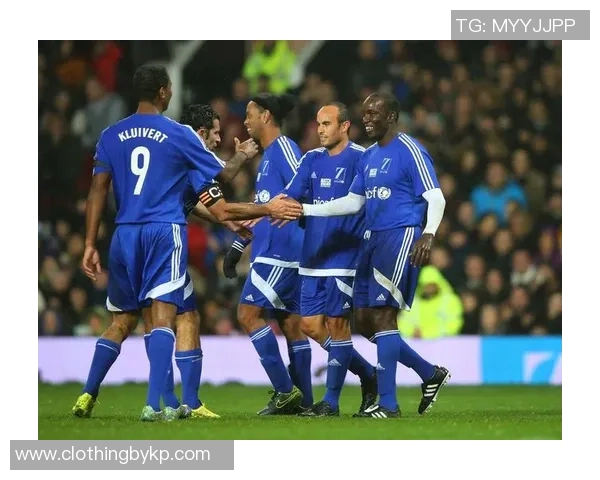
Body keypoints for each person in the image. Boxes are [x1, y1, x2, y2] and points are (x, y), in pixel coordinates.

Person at [72, 65, 302, 422]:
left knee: (126, 320)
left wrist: (89, 243)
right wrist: (260, 195)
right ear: (164, 91)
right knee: (164, 318)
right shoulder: (177, 135)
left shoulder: (110, 134)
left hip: (124, 234)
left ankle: (91, 392)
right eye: (213, 133)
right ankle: (159, 403)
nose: (216, 138)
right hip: (164, 233)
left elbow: (98, 190)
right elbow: (222, 182)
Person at [284, 92, 450, 418]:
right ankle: (429, 373)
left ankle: (387, 404)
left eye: (375, 113)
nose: (368, 119)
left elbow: (436, 197)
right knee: (362, 321)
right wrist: (306, 209)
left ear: (392, 117)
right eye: (365, 113)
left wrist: (429, 233)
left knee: (384, 316)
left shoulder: (410, 150)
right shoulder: (369, 156)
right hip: (371, 240)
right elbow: (353, 202)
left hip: (401, 235)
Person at [272, 102, 378, 417]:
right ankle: (367, 372)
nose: (320, 130)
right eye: (318, 124)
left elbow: (357, 205)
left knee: (337, 324)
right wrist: (266, 208)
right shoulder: (311, 159)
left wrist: (304, 209)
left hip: (344, 257)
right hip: (312, 257)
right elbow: (291, 195)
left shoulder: (361, 158)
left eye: (327, 123)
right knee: (310, 325)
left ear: (345, 126)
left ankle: (330, 401)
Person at [222, 93, 312, 415]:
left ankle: (285, 391)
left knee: (247, 315)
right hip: (274, 249)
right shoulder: (268, 157)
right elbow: (264, 210)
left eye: (250, 114)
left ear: (267, 116)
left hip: (280, 251)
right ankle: (305, 402)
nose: (245, 121)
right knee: (290, 324)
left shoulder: (284, 149)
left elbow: (305, 189)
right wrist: (238, 246)